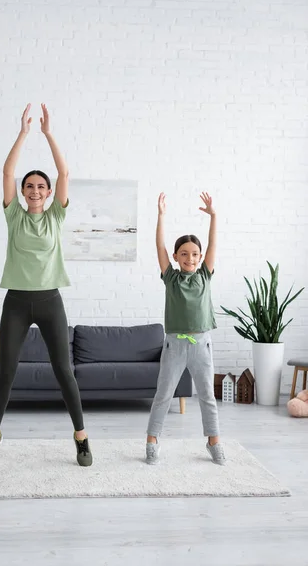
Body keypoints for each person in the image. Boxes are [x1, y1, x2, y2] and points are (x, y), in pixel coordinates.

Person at [0, 103, 92, 468]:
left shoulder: (57, 215)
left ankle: (81, 438)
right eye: (31, 186)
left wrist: (48, 132)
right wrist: (25, 132)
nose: (37, 189)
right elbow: (8, 170)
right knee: (6, 371)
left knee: (64, 370)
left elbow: (65, 171)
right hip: (15, 302)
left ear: (48, 192)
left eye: (42, 186)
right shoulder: (14, 215)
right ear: (24, 192)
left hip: (49, 300)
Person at [145, 191, 226, 466]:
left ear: (200, 257)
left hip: (201, 344)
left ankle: (213, 440)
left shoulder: (205, 274)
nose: (190, 258)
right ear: (177, 257)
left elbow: (214, 243)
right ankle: (152, 440)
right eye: (184, 254)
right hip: (174, 345)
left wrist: (214, 216)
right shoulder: (171, 278)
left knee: (206, 396)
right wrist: (161, 216)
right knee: (163, 395)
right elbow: (159, 248)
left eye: (194, 254)